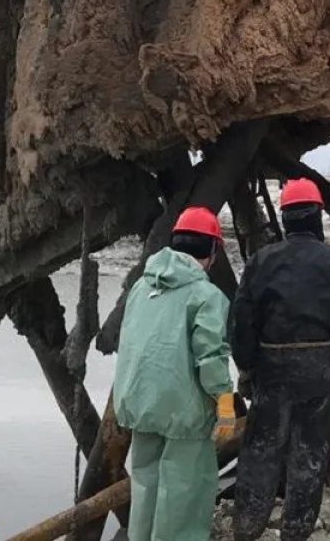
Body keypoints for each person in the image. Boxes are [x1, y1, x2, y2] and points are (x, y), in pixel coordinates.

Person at [231, 177, 330, 541]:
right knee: (310, 455)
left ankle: (247, 527)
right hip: (322, 370)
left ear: (286, 218)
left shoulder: (261, 261)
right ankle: (295, 532)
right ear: (317, 216)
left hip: (272, 368)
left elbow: (241, 321)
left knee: (261, 450)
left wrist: (246, 363)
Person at [112, 206, 236, 541]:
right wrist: (225, 404)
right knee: (184, 496)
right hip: (185, 412)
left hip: (141, 405)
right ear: (212, 251)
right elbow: (211, 357)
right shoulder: (205, 295)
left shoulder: (141, 286)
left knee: (145, 489)